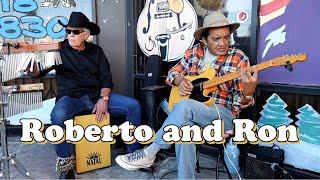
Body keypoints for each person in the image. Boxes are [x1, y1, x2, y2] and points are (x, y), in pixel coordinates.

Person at [115, 11, 258, 179]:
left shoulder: (239, 58)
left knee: (184, 106)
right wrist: (180, 81)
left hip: (222, 116)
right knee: (184, 130)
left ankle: (150, 152)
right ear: (204, 40)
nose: (222, 43)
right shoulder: (194, 52)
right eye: (216, 39)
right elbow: (172, 74)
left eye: (226, 38)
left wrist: (248, 93)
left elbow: (238, 104)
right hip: (191, 114)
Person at [27, 12, 141, 179]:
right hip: (71, 98)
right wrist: (31, 67)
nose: (70, 35)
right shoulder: (59, 50)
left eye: (75, 32)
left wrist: (104, 99)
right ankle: (67, 167)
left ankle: (134, 156)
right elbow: (38, 72)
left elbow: (107, 78)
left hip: (96, 96)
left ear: (86, 34)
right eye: (68, 31)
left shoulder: (96, 51)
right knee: (58, 115)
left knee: (133, 106)